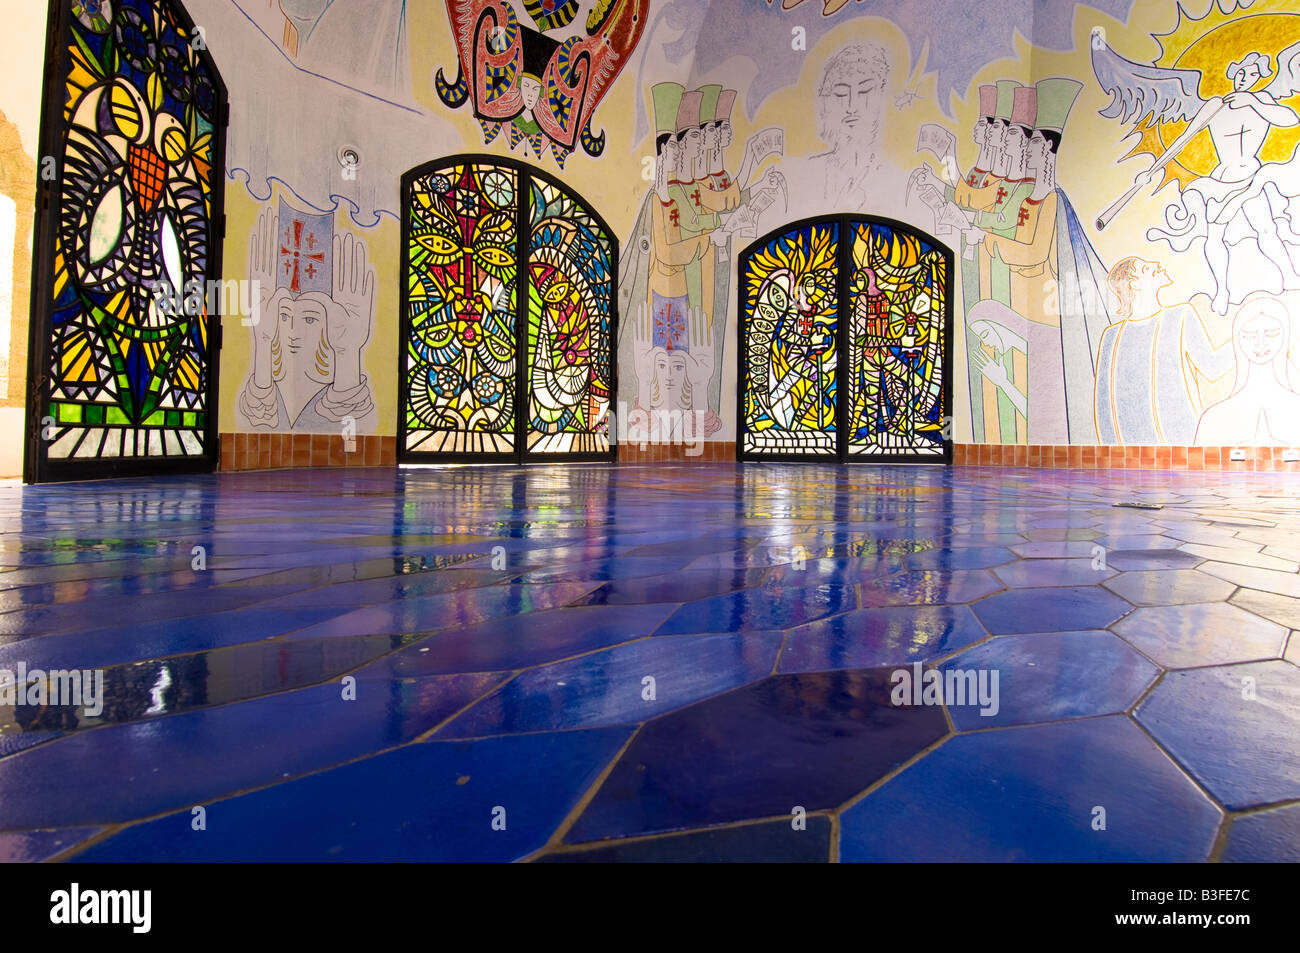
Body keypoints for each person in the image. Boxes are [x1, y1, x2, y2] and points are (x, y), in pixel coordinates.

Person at [1094, 257, 1232, 444]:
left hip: (1183, 445)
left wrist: (1244, 335)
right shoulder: (1112, 336)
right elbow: (1104, 403)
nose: (1155, 264)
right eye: (1145, 267)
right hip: (1132, 451)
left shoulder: (1180, 317)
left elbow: (1212, 367)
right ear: (1134, 284)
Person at [1195, 295, 1300, 445]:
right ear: (1237, 339)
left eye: (1271, 334)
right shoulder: (1213, 418)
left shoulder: (1296, 407)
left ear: (1285, 337)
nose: (1261, 344)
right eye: (1249, 336)